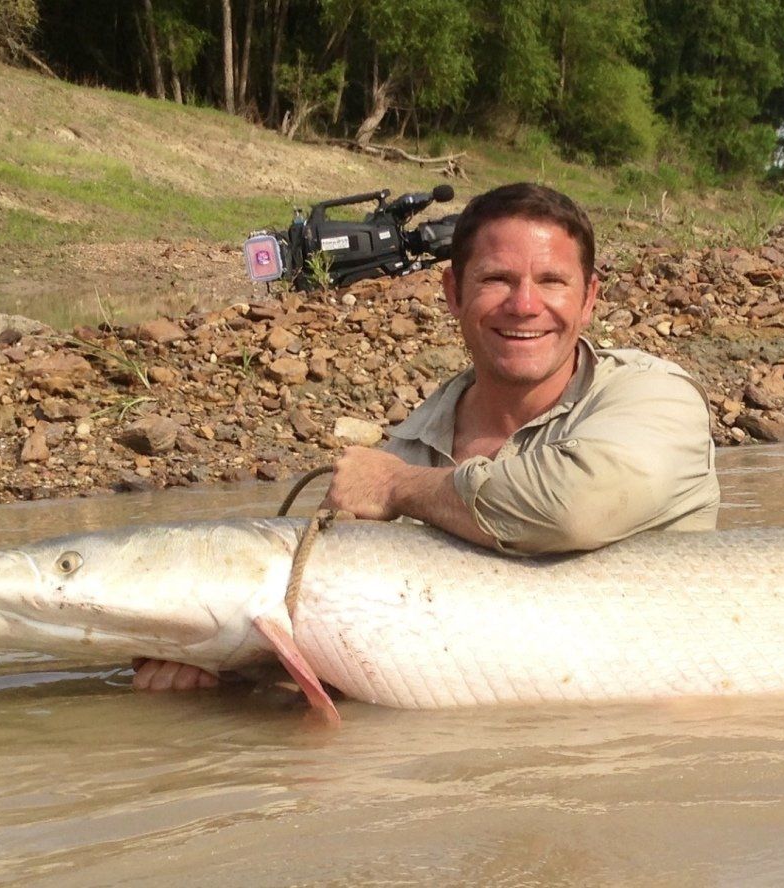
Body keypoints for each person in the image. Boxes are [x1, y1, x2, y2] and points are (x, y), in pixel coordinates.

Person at [134, 182, 721, 691]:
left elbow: (571, 508)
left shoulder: (655, 397)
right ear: (452, 294)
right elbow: (326, 624)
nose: (524, 305)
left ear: (589, 299)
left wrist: (400, 489)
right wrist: (223, 670)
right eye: (496, 279)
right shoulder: (407, 452)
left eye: (552, 281)